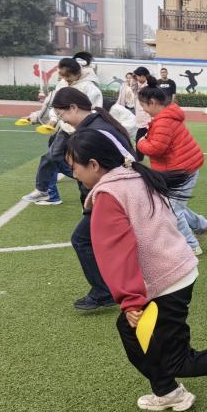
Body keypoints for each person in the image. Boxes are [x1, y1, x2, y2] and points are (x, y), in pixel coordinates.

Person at [65, 129, 207, 412]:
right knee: (129, 329)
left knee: (179, 361)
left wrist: (130, 300)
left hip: (167, 279)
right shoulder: (135, 176)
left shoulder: (111, 195)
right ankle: (167, 390)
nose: (73, 174)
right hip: (176, 270)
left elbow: (117, 253)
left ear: (94, 164)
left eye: (74, 167)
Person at [50, 86, 134, 310]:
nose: (61, 120)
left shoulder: (99, 130)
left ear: (73, 107)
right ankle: (112, 288)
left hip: (111, 197)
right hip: (104, 195)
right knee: (102, 242)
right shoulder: (93, 126)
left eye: (61, 114)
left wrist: (103, 190)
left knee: (82, 239)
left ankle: (105, 290)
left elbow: (129, 161)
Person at [137, 85, 207, 256]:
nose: (143, 109)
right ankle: (202, 225)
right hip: (182, 168)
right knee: (173, 205)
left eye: (143, 105)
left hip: (181, 171)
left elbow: (156, 148)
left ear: (152, 102)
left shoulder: (163, 120)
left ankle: (191, 245)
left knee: (171, 210)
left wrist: (141, 142)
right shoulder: (167, 115)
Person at [21, 51, 103, 206]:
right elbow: (54, 105)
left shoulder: (90, 88)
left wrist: (85, 129)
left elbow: (96, 110)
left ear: (77, 73)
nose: (65, 79)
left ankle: (91, 192)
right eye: (63, 76)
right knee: (50, 157)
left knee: (82, 164)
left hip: (82, 132)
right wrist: (51, 120)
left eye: (68, 77)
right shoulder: (63, 84)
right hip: (65, 129)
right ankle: (43, 189)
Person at [131, 67, 155, 159]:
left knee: (142, 140)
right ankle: (140, 157)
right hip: (141, 119)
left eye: (137, 76)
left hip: (147, 119)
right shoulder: (139, 85)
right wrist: (134, 78)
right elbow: (133, 87)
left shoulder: (148, 87)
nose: (136, 78)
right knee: (142, 140)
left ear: (143, 76)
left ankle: (139, 157)